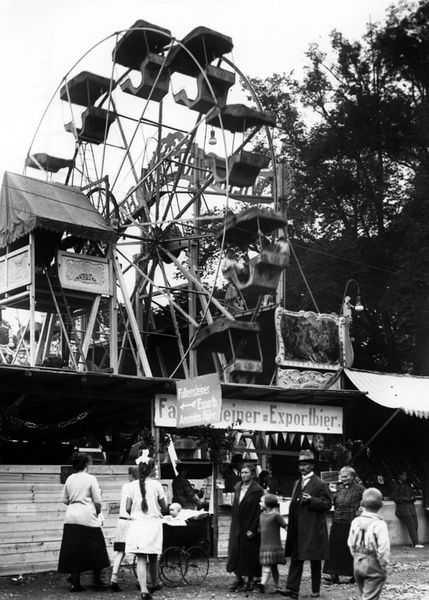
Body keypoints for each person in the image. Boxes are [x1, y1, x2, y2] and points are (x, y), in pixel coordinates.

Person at [280, 449, 331, 599]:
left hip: (313, 528)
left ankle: (315, 590)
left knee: (315, 559)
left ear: (312, 466)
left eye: (306, 465)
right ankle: (292, 589)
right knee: (296, 557)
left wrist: (312, 500)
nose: (302, 468)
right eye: (300, 465)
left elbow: (328, 504)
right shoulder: (298, 482)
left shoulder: (320, 484)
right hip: (298, 527)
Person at [58, 452, 110, 592]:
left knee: (74, 550)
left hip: (71, 517)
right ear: (87, 464)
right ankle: (97, 580)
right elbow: (97, 501)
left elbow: (64, 500)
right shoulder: (91, 479)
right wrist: (97, 512)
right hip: (87, 516)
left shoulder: (70, 479)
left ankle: (75, 584)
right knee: (97, 548)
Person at [125, 453, 168, 599]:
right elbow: (164, 506)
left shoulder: (131, 486)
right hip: (153, 524)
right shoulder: (157, 485)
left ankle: (144, 589)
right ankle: (155, 582)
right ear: (151, 469)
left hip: (137, 524)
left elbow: (127, 507)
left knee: (141, 558)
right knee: (154, 554)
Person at [227, 463, 264, 592]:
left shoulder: (257, 490)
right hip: (237, 524)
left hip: (249, 524)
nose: (243, 475)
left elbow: (258, 511)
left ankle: (251, 580)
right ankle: (239, 578)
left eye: (246, 472)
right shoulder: (238, 487)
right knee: (235, 550)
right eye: (242, 472)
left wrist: (253, 529)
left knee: (249, 553)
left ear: (252, 474)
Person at [347, 487, 390, 600]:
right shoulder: (380, 524)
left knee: (364, 594)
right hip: (373, 561)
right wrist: (383, 563)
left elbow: (350, 543)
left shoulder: (355, 521)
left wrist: (356, 556)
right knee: (371, 596)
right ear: (381, 505)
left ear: (362, 504)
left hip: (357, 561)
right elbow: (383, 547)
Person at [324, 466, 364, 584]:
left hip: (352, 523)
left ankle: (355, 575)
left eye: (345, 476)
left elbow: (366, 502)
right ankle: (333, 575)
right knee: (335, 549)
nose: (343, 478)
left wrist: (360, 511)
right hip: (337, 521)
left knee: (351, 549)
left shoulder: (360, 489)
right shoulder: (338, 488)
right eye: (341, 476)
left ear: (353, 477)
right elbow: (333, 502)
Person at [110, 466, 139, 592]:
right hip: (132, 521)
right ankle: (140, 580)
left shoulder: (125, 486)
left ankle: (114, 578)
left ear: (130, 475)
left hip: (122, 520)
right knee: (139, 552)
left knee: (120, 552)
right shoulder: (138, 487)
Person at [257, 493, 287, 593]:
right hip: (264, 545)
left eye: (262, 501)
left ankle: (262, 584)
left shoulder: (276, 515)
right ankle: (277, 585)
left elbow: (285, 526)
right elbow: (260, 529)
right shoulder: (261, 515)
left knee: (267, 565)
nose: (260, 503)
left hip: (273, 545)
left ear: (268, 504)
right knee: (273, 566)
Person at [391, 470, 424, 548]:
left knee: (415, 524)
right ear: (399, 476)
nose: (405, 477)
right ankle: (416, 543)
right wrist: (406, 499)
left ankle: (415, 542)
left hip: (410, 506)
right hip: (402, 508)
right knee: (411, 525)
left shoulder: (408, 485)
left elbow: (413, 495)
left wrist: (412, 498)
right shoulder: (395, 485)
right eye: (403, 475)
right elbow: (395, 497)